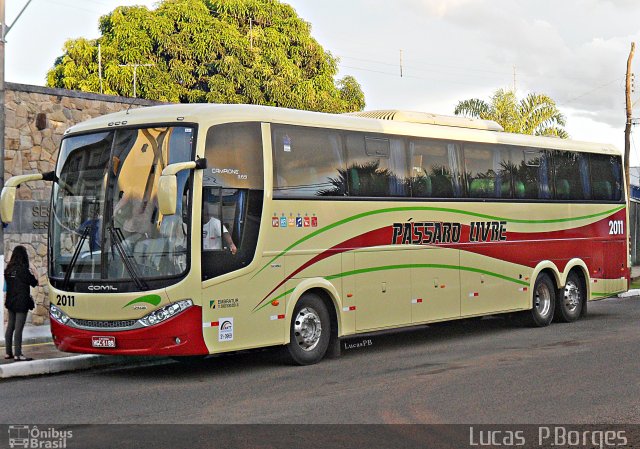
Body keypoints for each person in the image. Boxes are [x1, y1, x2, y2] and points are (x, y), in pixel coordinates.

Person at [4, 245, 38, 361]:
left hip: (10, 301)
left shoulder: (8, 270)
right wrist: (34, 270)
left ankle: (8, 353)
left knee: (10, 327)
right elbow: (34, 282)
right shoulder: (23, 270)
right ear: (24, 256)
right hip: (21, 303)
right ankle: (18, 354)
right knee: (18, 328)